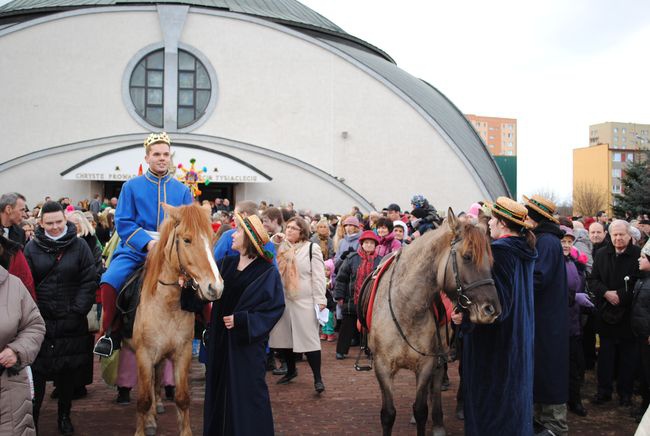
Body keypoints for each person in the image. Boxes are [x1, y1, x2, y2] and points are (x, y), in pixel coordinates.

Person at [99, 132, 193, 403]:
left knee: (199, 285)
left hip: (172, 252)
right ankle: (111, 332)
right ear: (147, 157)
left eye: (166, 154)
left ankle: (204, 328)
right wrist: (147, 244)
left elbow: (187, 223)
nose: (162, 159)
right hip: (136, 250)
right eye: (157, 154)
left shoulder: (182, 190)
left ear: (170, 157)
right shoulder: (131, 186)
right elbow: (125, 222)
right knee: (109, 281)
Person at [453, 197, 537, 436]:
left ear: (501, 223)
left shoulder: (500, 252)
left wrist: (465, 319)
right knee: (513, 403)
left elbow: (495, 307)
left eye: (492, 220)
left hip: (496, 345)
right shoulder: (525, 249)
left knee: (492, 407)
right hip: (519, 336)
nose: (488, 224)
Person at [203, 213, 284, 435]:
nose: (233, 234)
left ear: (248, 238)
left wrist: (242, 320)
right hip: (220, 343)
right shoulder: (225, 264)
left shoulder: (267, 272)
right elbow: (206, 291)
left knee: (249, 393)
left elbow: (274, 308)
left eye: (238, 231)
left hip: (246, 347)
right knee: (220, 391)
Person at [24, 201, 96, 434]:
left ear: (66, 220)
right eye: (49, 223)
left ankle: (64, 415)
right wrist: (33, 313)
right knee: (37, 372)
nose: (55, 227)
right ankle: (32, 418)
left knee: (67, 374)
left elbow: (89, 279)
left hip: (70, 319)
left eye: (59, 222)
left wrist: (78, 309)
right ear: (41, 223)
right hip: (40, 320)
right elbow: (27, 284)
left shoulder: (80, 246)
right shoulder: (31, 248)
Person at [523, 195, 569, 436]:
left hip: (548, 321)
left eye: (527, 214)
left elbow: (538, 279)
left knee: (549, 369)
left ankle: (554, 425)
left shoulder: (547, 242)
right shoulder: (543, 239)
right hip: (544, 319)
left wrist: (514, 282)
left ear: (535, 218)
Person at [269, 216, 328, 393]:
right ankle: (291, 370)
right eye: (288, 227)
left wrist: (320, 300)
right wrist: (275, 240)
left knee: (309, 340)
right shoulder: (282, 247)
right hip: (284, 299)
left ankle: (318, 378)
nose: (289, 231)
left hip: (304, 300)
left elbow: (318, 276)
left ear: (302, 231)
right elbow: (267, 251)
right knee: (285, 338)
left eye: (294, 228)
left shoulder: (311, 248)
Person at [588, 219, 641, 408]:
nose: (618, 238)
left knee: (628, 357)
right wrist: (606, 293)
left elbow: (639, 282)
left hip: (628, 314)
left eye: (621, 234)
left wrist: (621, 295)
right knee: (605, 356)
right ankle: (604, 391)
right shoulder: (602, 254)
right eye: (614, 235)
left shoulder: (637, 255)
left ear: (629, 235)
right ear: (610, 236)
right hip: (605, 313)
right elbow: (593, 279)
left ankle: (625, 394)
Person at [0, 260, 45, 436]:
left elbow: (34, 325)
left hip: (8, 385)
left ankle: (110, 332)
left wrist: (16, 350)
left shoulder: (13, 285)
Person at [333, 230, 382, 360]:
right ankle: (341, 350)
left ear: (375, 245)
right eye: (366, 243)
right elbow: (341, 278)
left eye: (372, 243)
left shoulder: (380, 261)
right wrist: (339, 296)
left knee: (368, 327)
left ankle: (369, 350)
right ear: (362, 244)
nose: (369, 245)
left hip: (370, 300)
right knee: (346, 326)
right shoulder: (352, 258)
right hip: (351, 298)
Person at [560, 226, 593, 417]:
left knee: (575, 365)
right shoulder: (555, 264)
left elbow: (579, 286)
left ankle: (575, 400)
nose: (566, 245)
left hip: (574, 323)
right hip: (559, 323)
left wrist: (585, 299)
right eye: (563, 241)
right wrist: (576, 297)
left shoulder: (574, 263)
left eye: (569, 242)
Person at [631, 239, 650, 422]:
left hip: (647, 336)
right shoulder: (643, 279)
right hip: (640, 335)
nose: (639, 259)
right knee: (644, 374)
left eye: (643, 257)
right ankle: (644, 407)